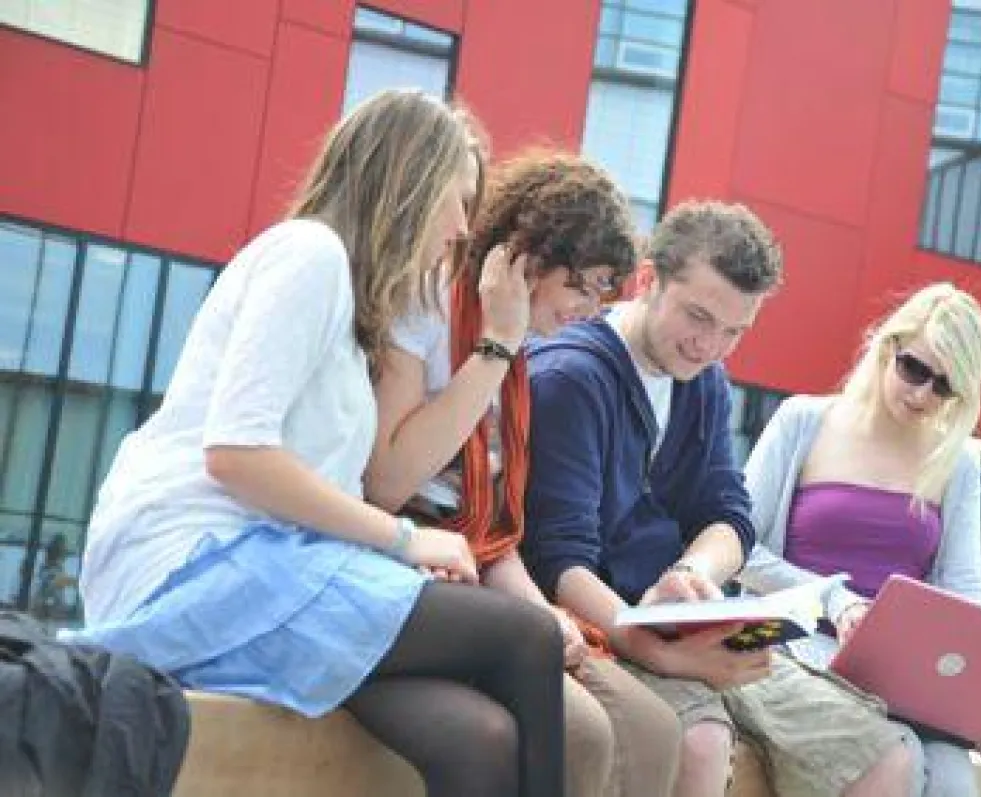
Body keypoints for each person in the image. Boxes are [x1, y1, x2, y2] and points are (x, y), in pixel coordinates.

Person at [65, 90, 564, 797]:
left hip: (274, 573)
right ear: (406, 184)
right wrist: (402, 541)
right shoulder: (310, 254)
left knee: (477, 736)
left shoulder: (347, 291)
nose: (460, 226)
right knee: (527, 637)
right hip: (196, 564)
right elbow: (237, 454)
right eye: (455, 200)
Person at [521, 200, 913, 797]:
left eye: (734, 331)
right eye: (698, 317)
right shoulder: (570, 376)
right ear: (649, 280)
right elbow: (558, 560)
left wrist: (690, 573)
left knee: (883, 757)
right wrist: (651, 642)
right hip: (601, 624)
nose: (710, 346)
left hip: (690, 624)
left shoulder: (702, 381)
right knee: (700, 744)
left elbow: (729, 516)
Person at [365, 149, 682, 797]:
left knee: (655, 726)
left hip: (481, 577)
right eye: (584, 283)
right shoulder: (434, 313)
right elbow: (390, 486)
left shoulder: (519, 364)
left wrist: (548, 615)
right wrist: (497, 342)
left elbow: (494, 533)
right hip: (402, 562)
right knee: (586, 733)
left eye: (605, 291)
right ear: (527, 257)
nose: (592, 308)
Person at [739, 282, 981, 796]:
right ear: (887, 346)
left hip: (902, 677)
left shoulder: (957, 462)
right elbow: (740, 549)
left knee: (956, 782)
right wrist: (833, 597)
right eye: (914, 369)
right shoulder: (805, 421)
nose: (921, 393)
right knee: (901, 760)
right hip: (798, 651)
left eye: (944, 386)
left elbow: (965, 587)